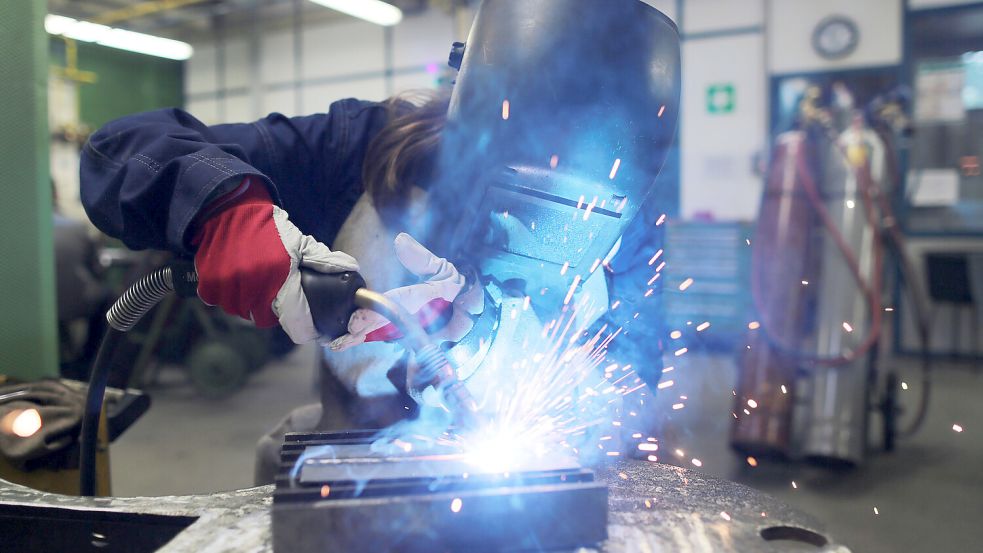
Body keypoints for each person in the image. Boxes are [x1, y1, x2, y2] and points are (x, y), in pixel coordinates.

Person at [80, 0, 680, 484]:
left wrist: (574, 404)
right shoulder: (352, 150)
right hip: (342, 466)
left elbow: (634, 377)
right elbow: (120, 147)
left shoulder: (627, 230)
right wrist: (225, 210)